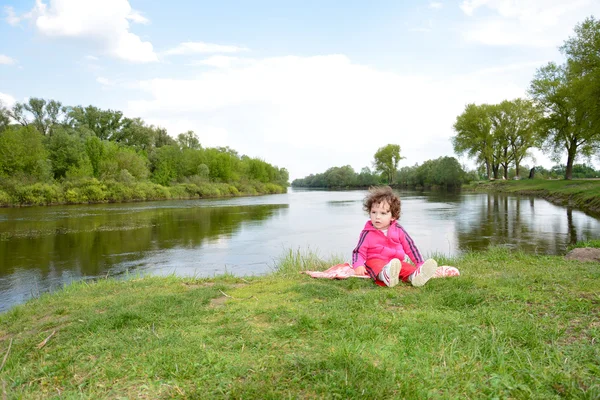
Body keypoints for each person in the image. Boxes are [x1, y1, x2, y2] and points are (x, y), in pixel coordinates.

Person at [352, 186, 438, 287]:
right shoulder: (367, 233)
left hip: (396, 263)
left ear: (393, 216)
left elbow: (410, 248)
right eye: (374, 212)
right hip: (375, 260)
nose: (377, 217)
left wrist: (419, 263)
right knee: (376, 266)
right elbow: (359, 251)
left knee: (406, 267)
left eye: (383, 213)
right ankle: (385, 276)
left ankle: (415, 277)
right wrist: (358, 265)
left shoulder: (399, 230)